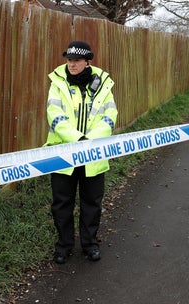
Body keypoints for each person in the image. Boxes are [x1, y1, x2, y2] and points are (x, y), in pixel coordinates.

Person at [44, 41, 118, 264]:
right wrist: (78, 140)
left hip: (93, 154)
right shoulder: (58, 82)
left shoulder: (103, 84)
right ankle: (64, 246)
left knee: (91, 203)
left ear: (87, 62)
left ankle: (90, 243)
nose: (71, 64)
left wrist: (90, 142)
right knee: (61, 203)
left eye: (76, 60)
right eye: (69, 60)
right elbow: (54, 116)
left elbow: (109, 116)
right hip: (65, 154)